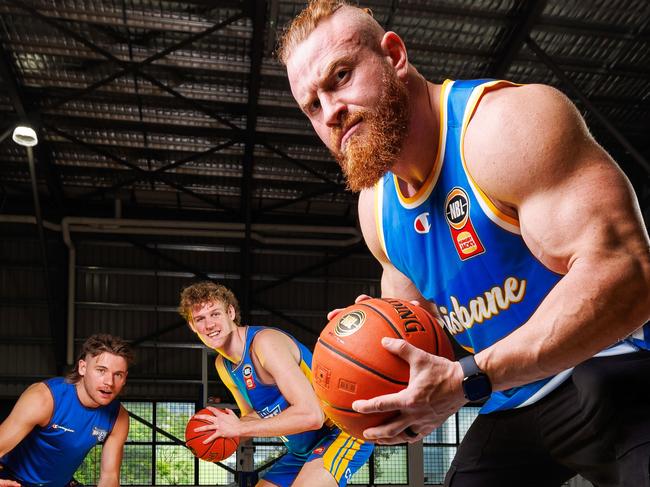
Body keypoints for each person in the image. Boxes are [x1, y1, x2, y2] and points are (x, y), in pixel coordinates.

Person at [278, 1, 650, 485]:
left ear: (394, 56)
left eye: (341, 77)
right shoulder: (375, 211)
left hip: (611, 363)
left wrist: (471, 375)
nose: (331, 113)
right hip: (509, 398)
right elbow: (422, 344)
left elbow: (627, 273)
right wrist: (375, 350)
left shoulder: (502, 127)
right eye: (312, 105)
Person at [178, 281, 373, 487]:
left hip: (341, 431)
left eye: (215, 314)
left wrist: (238, 430)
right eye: (200, 318)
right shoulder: (223, 366)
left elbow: (312, 415)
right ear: (192, 326)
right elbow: (252, 417)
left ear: (231, 313)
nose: (209, 325)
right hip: (302, 450)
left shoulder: (265, 344)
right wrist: (219, 433)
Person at [0, 334, 133, 487]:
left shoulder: (118, 417)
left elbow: (110, 477)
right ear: (83, 368)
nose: (109, 382)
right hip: (12, 479)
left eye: (118, 375)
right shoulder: (44, 398)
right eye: (101, 370)